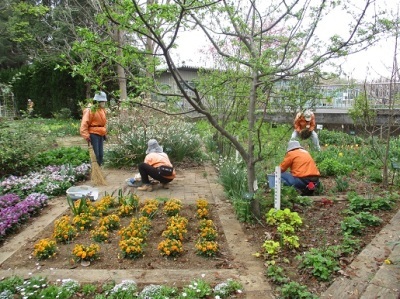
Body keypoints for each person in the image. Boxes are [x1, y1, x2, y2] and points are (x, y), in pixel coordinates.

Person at [80, 91, 108, 166]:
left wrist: (105, 133)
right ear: (98, 101)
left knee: (101, 155)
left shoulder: (101, 110)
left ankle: (99, 171)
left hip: (100, 134)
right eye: (103, 101)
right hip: (93, 134)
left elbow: (103, 123)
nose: (104, 103)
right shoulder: (90, 110)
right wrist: (86, 135)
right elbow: (84, 123)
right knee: (96, 155)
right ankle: (94, 171)